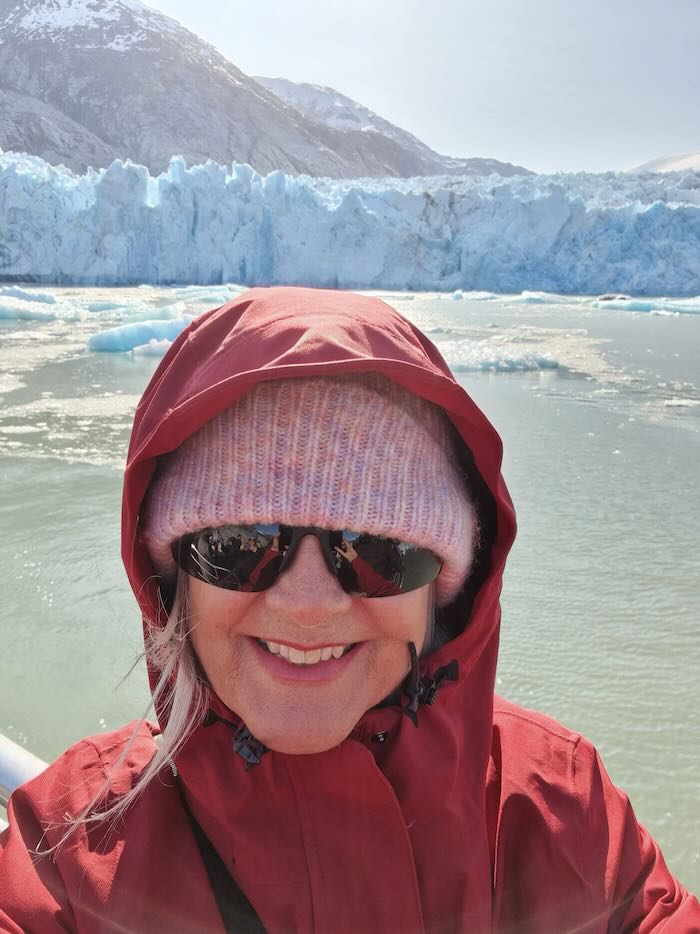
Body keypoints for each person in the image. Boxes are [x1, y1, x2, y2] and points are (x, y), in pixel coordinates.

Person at [0, 287, 697, 933]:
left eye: (380, 552)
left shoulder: (562, 805)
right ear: (171, 577)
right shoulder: (65, 852)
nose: (308, 605)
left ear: (446, 586)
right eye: (240, 545)